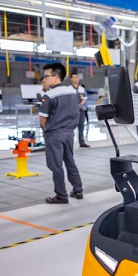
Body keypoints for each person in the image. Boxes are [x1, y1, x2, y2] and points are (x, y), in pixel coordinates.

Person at [39, 63, 84, 204]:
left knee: (56, 165)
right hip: (69, 133)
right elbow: (77, 111)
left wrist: (49, 129)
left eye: (46, 76)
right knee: (70, 161)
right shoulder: (72, 93)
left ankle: (61, 195)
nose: (44, 79)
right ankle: (78, 190)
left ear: (56, 76)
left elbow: (42, 118)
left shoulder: (49, 95)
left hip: (54, 134)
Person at [69, 72, 90, 147]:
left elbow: (84, 98)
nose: (75, 79)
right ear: (71, 79)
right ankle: (70, 143)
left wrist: (79, 105)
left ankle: (82, 142)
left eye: (76, 77)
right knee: (70, 126)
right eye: (74, 77)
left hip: (81, 110)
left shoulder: (82, 89)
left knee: (81, 126)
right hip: (71, 110)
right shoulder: (69, 89)